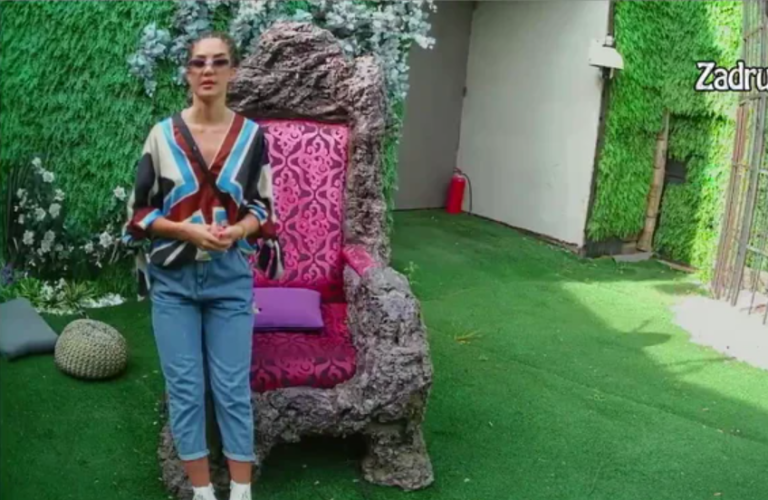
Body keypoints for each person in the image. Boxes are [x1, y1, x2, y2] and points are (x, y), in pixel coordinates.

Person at [122, 31, 281, 500]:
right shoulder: (161, 136)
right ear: (187, 73)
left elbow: (263, 209)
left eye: (218, 61)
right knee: (186, 389)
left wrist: (238, 229)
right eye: (198, 62)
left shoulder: (252, 137)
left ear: (234, 70)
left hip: (230, 279)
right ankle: (203, 493)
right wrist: (186, 231)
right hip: (173, 281)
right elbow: (139, 213)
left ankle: (241, 492)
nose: (207, 70)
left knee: (232, 388)